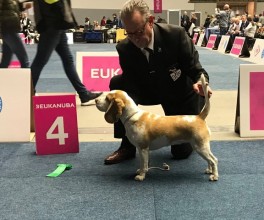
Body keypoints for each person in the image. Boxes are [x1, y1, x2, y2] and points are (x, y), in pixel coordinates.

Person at [104, 0, 212, 165]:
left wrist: (200, 83)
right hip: (149, 90)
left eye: (138, 32)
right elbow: (131, 85)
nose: (134, 39)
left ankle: (186, 140)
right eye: (129, 33)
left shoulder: (176, 35)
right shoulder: (124, 48)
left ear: (151, 21)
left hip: (179, 92)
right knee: (118, 83)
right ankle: (127, 146)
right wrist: (132, 123)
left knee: (181, 153)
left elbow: (195, 69)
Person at [30, 0, 101, 105]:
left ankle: (83, 94)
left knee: (68, 60)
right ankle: (28, 91)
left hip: (59, 27)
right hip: (52, 27)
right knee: (40, 62)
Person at [0, 0, 30, 68]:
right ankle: (26, 78)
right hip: (8, 28)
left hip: (10, 28)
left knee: (5, 62)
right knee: (24, 60)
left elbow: (12, 8)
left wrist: (24, 7)